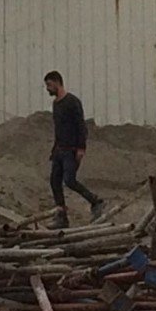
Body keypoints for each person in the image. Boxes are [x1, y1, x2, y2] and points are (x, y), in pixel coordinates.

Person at [44, 71, 105, 229]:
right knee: (54, 181)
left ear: (58, 82)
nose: (47, 89)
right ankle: (62, 216)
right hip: (59, 149)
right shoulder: (56, 104)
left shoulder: (72, 102)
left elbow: (80, 126)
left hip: (71, 150)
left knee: (69, 180)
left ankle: (95, 201)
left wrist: (81, 148)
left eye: (49, 85)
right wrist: (54, 149)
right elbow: (59, 128)